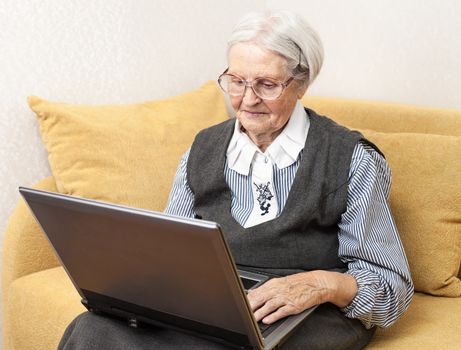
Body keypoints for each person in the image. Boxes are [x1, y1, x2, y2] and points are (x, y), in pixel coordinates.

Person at [58, 10, 413, 350]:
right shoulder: (202, 150)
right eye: (236, 82)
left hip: (308, 312)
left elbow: (391, 290)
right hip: (217, 303)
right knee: (91, 328)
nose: (247, 99)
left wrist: (320, 284)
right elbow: (170, 251)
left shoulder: (351, 157)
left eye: (267, 84)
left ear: (301, 83)